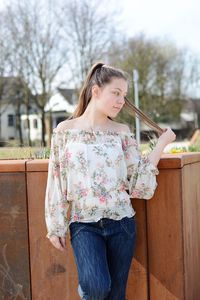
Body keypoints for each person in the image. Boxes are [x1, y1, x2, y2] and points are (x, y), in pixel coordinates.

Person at [45, 62, 176, 300]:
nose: (121, 101)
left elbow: (139, 185)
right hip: (83, 224)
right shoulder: (65, 131)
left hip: (122, 224)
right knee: (96, 287)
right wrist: (55, 226)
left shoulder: (121, 131)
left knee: (116, 294)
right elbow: (56, 179)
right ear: (96, 90)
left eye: (124, 96)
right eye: (116, 93)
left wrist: (161, 145)